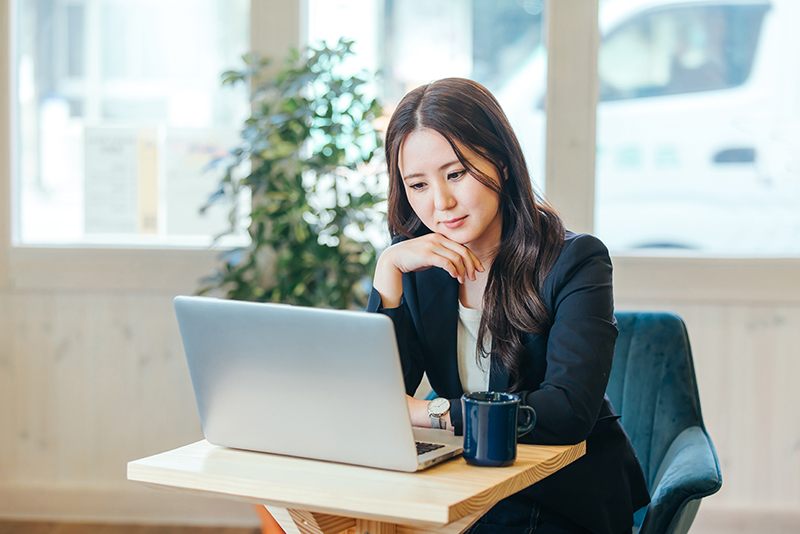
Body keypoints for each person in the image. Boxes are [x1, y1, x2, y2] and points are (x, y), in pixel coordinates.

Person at [366, 78, 650, 534]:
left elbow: (565, 413)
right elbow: (376, 400)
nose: (441, 203)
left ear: (499, 159)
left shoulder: (576, 261)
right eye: (417, 185)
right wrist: (388, 277)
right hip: (467, 488)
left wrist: (429, 412)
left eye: (455, 173)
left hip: (561, 499)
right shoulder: (418, 266)